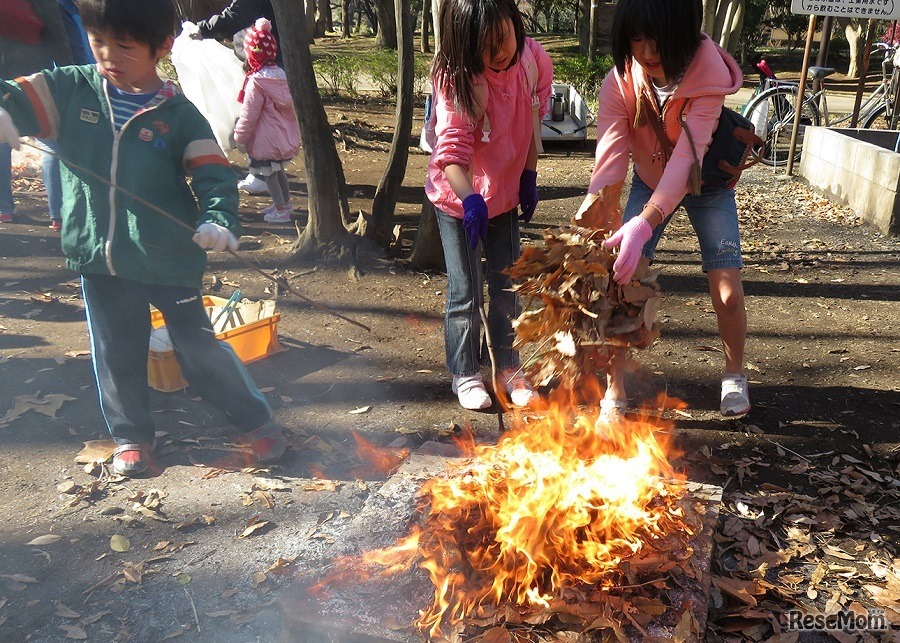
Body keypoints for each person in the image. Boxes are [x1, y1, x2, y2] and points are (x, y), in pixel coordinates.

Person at [0, 0, 286, 477]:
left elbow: (214, 176)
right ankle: (132, 437)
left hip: (168, 257)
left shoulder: (178, 114)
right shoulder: (73, 88)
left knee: (198, 349)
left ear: (162, 46)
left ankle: (257, 422)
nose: (108, 55)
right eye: (98, 42)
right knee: (115, 348)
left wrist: (219, 219)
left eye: (124, 46)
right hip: (100, 257)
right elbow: (15, 93)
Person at [579, 0, 750, 422]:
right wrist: (597, 217)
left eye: (658, 39)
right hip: (651, 179)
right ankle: (614, 392)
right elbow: (612, 158)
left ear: (684, 33)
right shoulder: (619, 80)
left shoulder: (707, 78)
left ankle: (734, 376)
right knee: (623, 278)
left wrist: (644, 222)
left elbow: (684, 163)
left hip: (705, 185)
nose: (647, 51)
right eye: (637, 38)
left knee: (727, 291)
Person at [425, 0, 552, 410]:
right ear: (465, 46)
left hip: (505, 195)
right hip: (458, 199)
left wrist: (528, 176)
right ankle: (465, 372)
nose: (500, 50)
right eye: (486, 45)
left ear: (515, 24)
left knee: (506, 287)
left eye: (503, 38)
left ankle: (508, 367)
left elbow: (533, 123)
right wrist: (471, 200)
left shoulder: (531, 61)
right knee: (464, 291)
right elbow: (451, 155)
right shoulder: (457, 79)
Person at [193, 0, 279, 194]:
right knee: (258, 116)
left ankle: (261, 175)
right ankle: (262, 172)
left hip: (264, 59)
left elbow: (239, 14)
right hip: (260, 58)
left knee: (258, 117)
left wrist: (203, 30)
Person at [233, 18, 299, 224]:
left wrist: (240, 137)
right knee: (278, 172)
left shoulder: (257, 81)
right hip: (281, 136)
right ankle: (285, 203)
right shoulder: (280, 74)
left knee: (269, 175)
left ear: (251, 54)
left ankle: (281, 210)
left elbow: (249, 113)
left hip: (266, 138)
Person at [40, 0, 97, 231]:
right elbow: (70, 48)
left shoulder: (71, 8)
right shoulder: (58, 7)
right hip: (62, 79)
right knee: (55, 143)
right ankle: (61, 212)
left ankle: (61, 211)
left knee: (55, 144)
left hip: (67, 76)